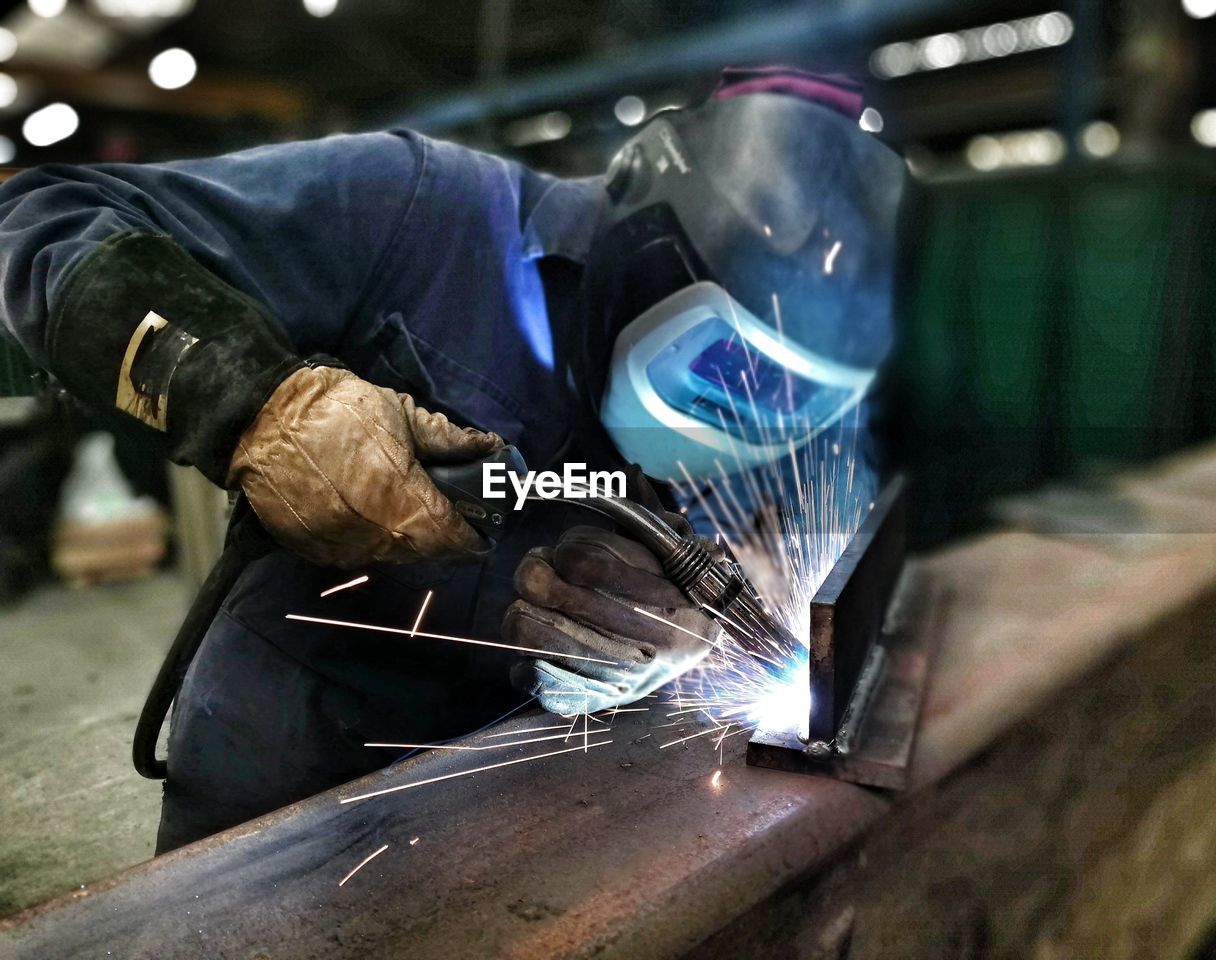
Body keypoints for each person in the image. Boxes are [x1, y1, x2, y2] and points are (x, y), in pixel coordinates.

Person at [0, 67, 904, 851]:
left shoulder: (793, 412)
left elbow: (772, 552)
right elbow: (37, 218)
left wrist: (685, 635)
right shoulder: (418, 208)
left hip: (541, 805)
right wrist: (256, 405)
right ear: (648, 259)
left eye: (801, 396)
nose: (750, 416)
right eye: (734, 363)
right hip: (300, 780)